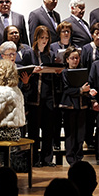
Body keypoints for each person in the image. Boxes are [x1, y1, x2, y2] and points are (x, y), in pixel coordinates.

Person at [22, 25, 58, 167]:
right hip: (34, 96)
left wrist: (57, 71)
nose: (44, 40)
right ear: (36, 38)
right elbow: (23, 74)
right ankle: (34, 159)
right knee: (34, 130)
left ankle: (47, 158)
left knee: (48, 129)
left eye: (47, 38)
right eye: (42, 37)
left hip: (49, 96)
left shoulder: (50, 55)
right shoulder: (28, 54)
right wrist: (33, 72)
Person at [59, 47, 90, 165]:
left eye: (77, 58)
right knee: (70, 134)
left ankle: (79, 157)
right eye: (72, 58)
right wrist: (81, 90)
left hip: (81, 106)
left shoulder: (82, 71)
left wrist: (88, 92)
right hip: (69, 106)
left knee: (80, 134)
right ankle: (71, 158)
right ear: (67, 60)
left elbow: (87, 86)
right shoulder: (64, 73)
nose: (75, 60)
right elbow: (66, 90)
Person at [81, 22, 99, 150]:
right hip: (90, 84)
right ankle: (89, 139)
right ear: (92, 35)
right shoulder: (87, 48)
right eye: (97, 33)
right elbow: (84, 66)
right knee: (89, 116)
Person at [50, 21, 74, 151]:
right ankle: (56, 142)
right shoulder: (53, 46)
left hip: (70, 84)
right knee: (56, 116)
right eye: (63, 31)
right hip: (56, 84)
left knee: (69, 117)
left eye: (68, 31)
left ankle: (70, 143)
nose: (65, 33)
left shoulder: (74, 46)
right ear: (59, 33)